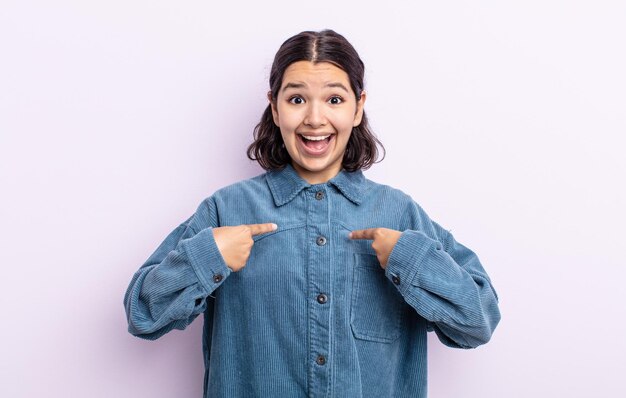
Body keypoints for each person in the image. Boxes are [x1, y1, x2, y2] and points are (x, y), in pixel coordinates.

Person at [124, 29, 501, 398]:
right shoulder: (226, 210)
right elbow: (143, 315)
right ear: (275, 107)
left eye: (334, 100)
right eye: (297, 100)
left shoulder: (399, 213)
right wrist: (207, 258)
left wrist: (413, 261)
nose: (315, 119)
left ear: (358, 107)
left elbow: (477, 322)